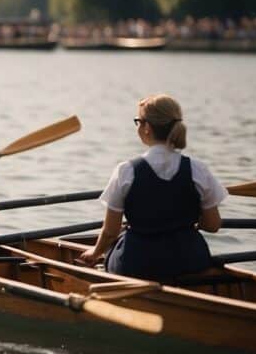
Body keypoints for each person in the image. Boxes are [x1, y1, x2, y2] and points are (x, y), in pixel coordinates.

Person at [76, 94, 225, 280]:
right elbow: (213, 225)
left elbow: (110, 232)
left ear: (147, 128)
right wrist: (188, 222)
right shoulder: (198, 170)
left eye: (138, 121)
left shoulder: (126, 171)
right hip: (189, 260)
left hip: (137, 263)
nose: (137, 126)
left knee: (110, 256)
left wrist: (95, 253)